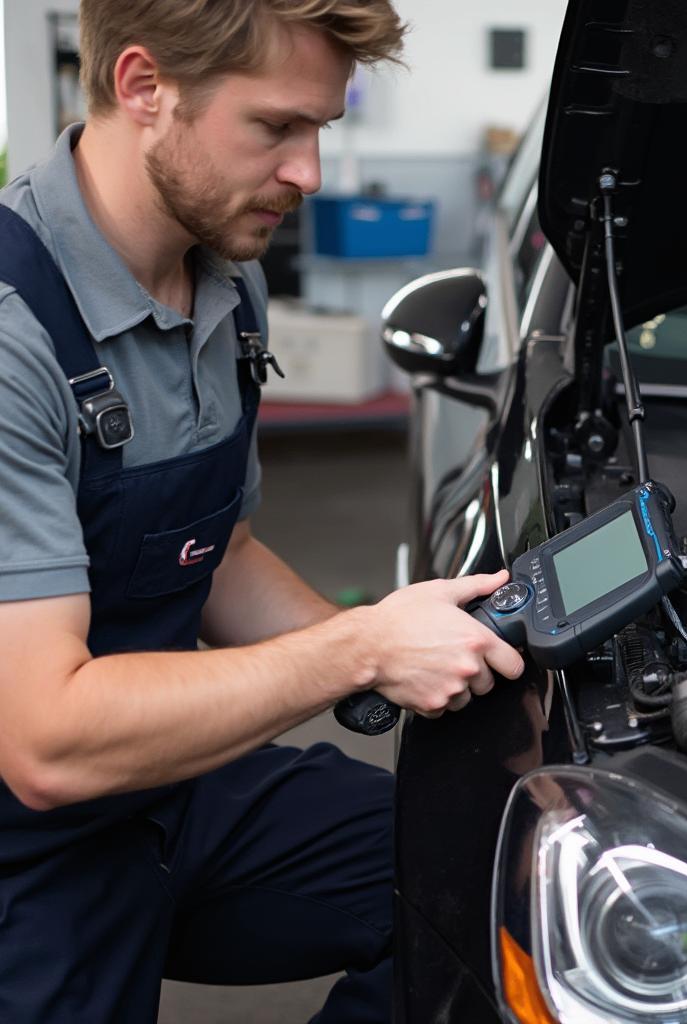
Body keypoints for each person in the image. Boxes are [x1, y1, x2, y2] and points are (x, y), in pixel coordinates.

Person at [0, 2, 525, 1021]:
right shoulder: (14, 338)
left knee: (493, 874)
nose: (310, 174)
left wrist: (414, 646)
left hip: (167, 792)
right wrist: (357, 651)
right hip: (26, 844)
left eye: (320, 129)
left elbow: (214, 552)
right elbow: (45, 739)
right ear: (144, 88)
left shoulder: (226, 285)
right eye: (277, 128)